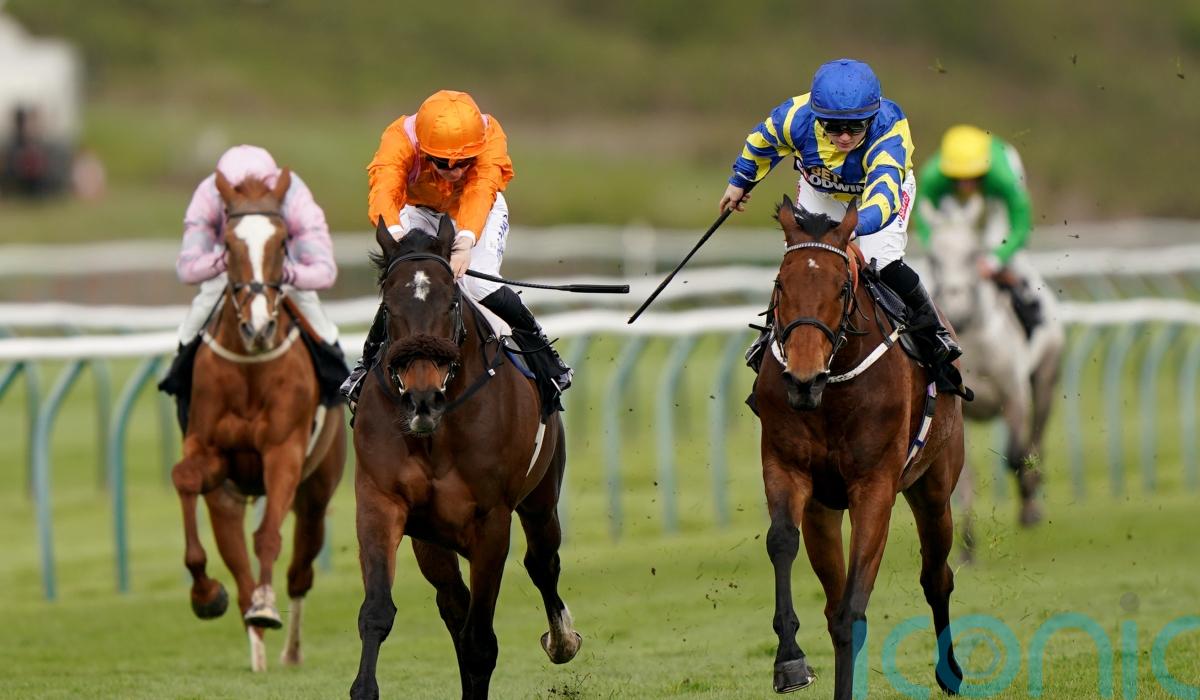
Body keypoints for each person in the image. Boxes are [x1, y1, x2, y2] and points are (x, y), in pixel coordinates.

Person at [719, 58, 961, 375]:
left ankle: (933, 335)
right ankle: (769, 337)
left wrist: (850, 229)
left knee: (881, 261)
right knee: (803, 262)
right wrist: (739, 182)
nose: (845, 137)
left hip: (875, 196)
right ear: (818, 117)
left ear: (871, 118)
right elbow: (761, 143)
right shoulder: (793, 118)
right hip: (822, 191)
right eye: (833, 127)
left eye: (855, 127)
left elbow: (882, 198)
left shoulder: (889, 131)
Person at [341, 89, 572, 413]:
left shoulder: (490, 138)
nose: (454, 170)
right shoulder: (399, 140)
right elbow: (384, 192)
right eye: (442, 162)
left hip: (474, 209)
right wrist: (397, 245)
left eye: (463, 162)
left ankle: (544, 355)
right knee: (408, 283)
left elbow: (479, 191)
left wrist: (464, 242)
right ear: (423, 149)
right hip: (418, 209)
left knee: (478, 284)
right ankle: (366, 364)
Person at [158, 144, 347, 431]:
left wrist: (280, 272)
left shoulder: (294, 197)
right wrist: (234, 260)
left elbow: (325, 271)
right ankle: (181, 387)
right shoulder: (208, 194)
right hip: (232, 270)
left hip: (282, 270)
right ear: (224, 193)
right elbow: (187, 267)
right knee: (191, 326)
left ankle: (339, 385)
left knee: (324, 329)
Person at [914, 124, 1042, 337]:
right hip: (950, 197)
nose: (966, 184)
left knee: (995, 241)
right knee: (946, 252)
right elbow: (924, 220)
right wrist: (940, 251)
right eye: (959, 178)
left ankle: (1032, 306)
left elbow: (1021, 226)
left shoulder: (1002, 175)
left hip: (997, 195)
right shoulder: (932, 176)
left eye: (973, 177)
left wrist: (995, 259)